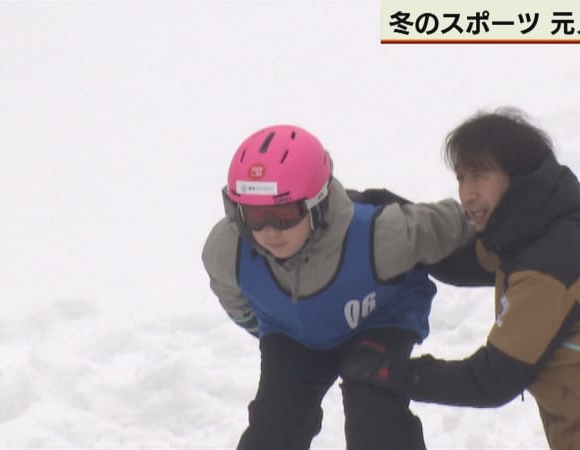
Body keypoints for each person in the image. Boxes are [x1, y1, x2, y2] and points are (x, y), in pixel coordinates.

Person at [341, 108, 580, 449]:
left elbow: (491, 380)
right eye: (461, 177)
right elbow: (465, 260)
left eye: (480, 175)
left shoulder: (548, 265)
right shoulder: (537, 224)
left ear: (516, 178)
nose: (467, 193)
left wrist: (391, 371)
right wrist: (380, 208)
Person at [201, 124, 478, 450]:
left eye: (284, 213)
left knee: (373, 414)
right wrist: (277, 324)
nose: (269, 231)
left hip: (379, 319)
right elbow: (235, 300)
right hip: (293, 333)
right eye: (255, 216)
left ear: (318, 203)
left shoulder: (380, 237)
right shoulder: (227, 251)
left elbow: (464, 223)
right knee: (274, 424)